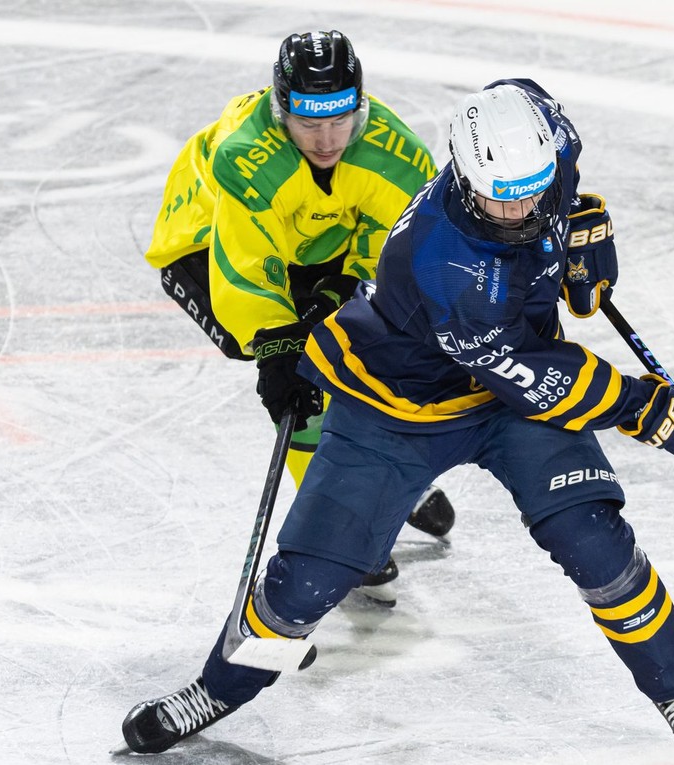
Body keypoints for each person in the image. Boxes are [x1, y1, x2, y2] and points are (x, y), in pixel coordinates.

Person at [122, 80, 674, 765]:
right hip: (398, 407)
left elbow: (555, 191)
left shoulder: (547, 146)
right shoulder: (442, 258)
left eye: (535, 189)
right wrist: (651, 409)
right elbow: (538, 375)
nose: (519, 208)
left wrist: (579, 233)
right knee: (302, 587)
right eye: (501, 196)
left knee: (595, 542)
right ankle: (218, 687)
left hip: (506, 398)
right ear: (464, 173)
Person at [141, 30, 456, 605]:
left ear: (360, 104)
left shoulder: (398, 154)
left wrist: (343, 286)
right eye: (309, 122)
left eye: (341, 120)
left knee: (367, 341)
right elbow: (244, 270)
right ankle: (338, 521)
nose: (327, 138)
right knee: (301, 377)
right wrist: (278, 347)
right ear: (279, 108)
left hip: (316, 239)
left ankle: (382, 478)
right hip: (208, 242)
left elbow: (399, 245)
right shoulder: (246, 158)